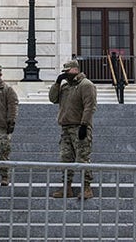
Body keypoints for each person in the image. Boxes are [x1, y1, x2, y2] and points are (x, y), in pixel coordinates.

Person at [48, 59, 97, 199]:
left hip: (79, 127)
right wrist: (57, 83)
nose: (65, 74)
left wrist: (84, 124)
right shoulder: (65, 87)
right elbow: (53, 98)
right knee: (65, 159)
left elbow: (90, 106)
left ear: (75, 70)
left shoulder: (86, 85)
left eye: (67, 71)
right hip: (65, 127)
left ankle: (87, 187)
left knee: (82, 158)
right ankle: (66, 187)